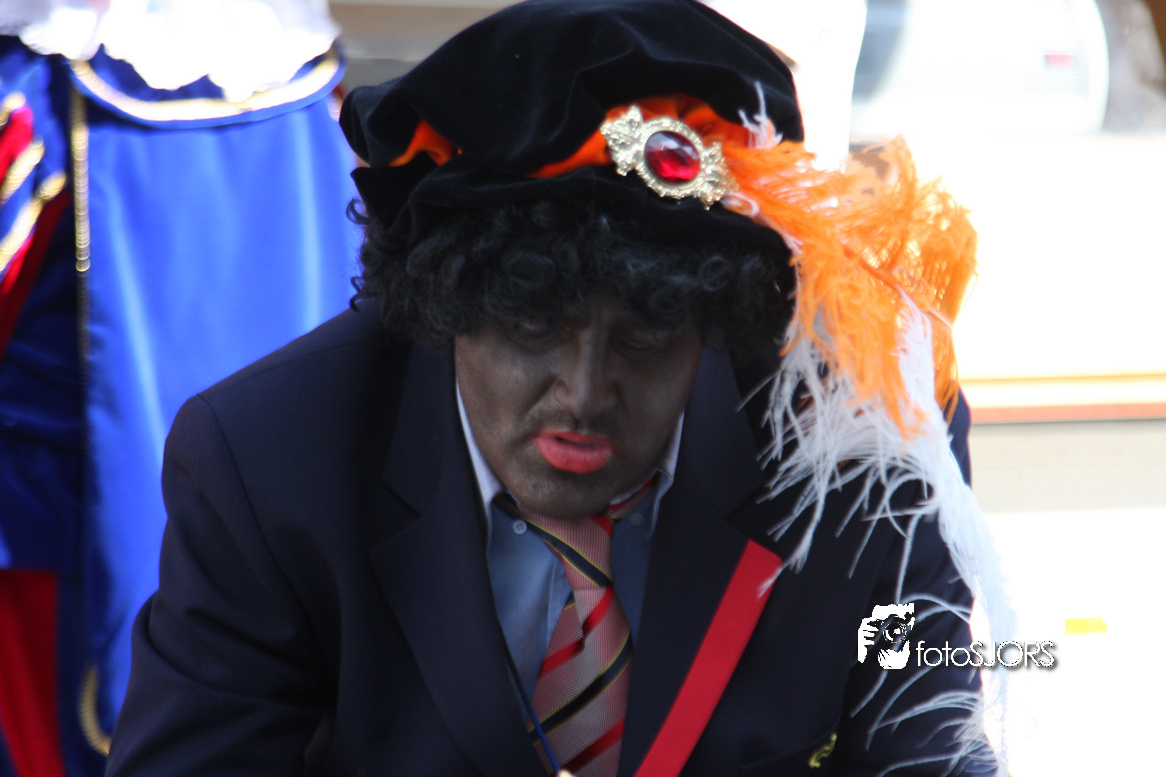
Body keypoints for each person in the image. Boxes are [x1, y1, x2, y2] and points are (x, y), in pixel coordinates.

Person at [105, 1, 1011, 775]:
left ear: (715, 324)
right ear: (445, 308)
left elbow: (925, 739)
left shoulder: (868, 447)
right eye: (533, 326)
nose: (582, 393)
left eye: (644, 337)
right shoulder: (266, 461)